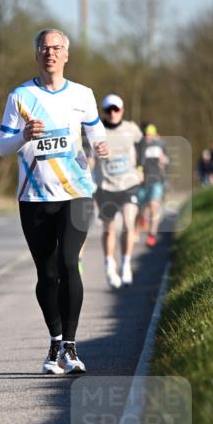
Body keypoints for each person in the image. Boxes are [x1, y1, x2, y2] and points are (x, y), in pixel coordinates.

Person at [0, 28, 108, 375]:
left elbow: (96, 132)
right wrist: (23, 135)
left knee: (68, 262)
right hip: (34, 197)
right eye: (45, 48)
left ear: (66, 54)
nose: (51, 53)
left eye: (57, 48)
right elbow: (2, 147)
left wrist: (100, 147)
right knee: (46, 274)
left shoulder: (83, 95)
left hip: (76, 192)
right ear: (37, 54)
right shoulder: (20, 96)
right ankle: (56, 342)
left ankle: (70, 347)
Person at [93, 94, 143, 286]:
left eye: (116, 109)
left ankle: (126, 263)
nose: (112, 113)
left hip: (128, 184)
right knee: (109, 229)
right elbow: (86, 153)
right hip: (106, 186)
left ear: (122, 111)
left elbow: (143, 146)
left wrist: (141, 168)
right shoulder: (96, 130)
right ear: (103, 112)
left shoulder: (131, 129)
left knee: (129, 224)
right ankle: (109, 264)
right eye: (108, 110)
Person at [137, 123, 168, 247]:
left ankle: (152, 235)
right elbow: (137, 162)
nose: (148, 137)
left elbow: (167, 161)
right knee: (142, 208)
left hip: (157, 180)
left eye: (150, 135)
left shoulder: (161, 145)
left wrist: (164, 161)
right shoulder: (140, 146)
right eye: (146, 135)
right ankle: (143, 220)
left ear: (156, 135)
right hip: (143, 181)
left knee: (153, 205)